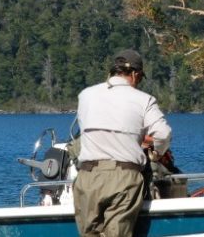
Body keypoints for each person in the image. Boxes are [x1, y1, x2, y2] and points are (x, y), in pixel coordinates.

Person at [74, 49, 172, 237]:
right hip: (123, 177)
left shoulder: (85, 95)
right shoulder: (144, 100)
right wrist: (157, 153)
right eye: (140, 78)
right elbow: (163, 133)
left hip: (87, 177)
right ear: (135, 74)